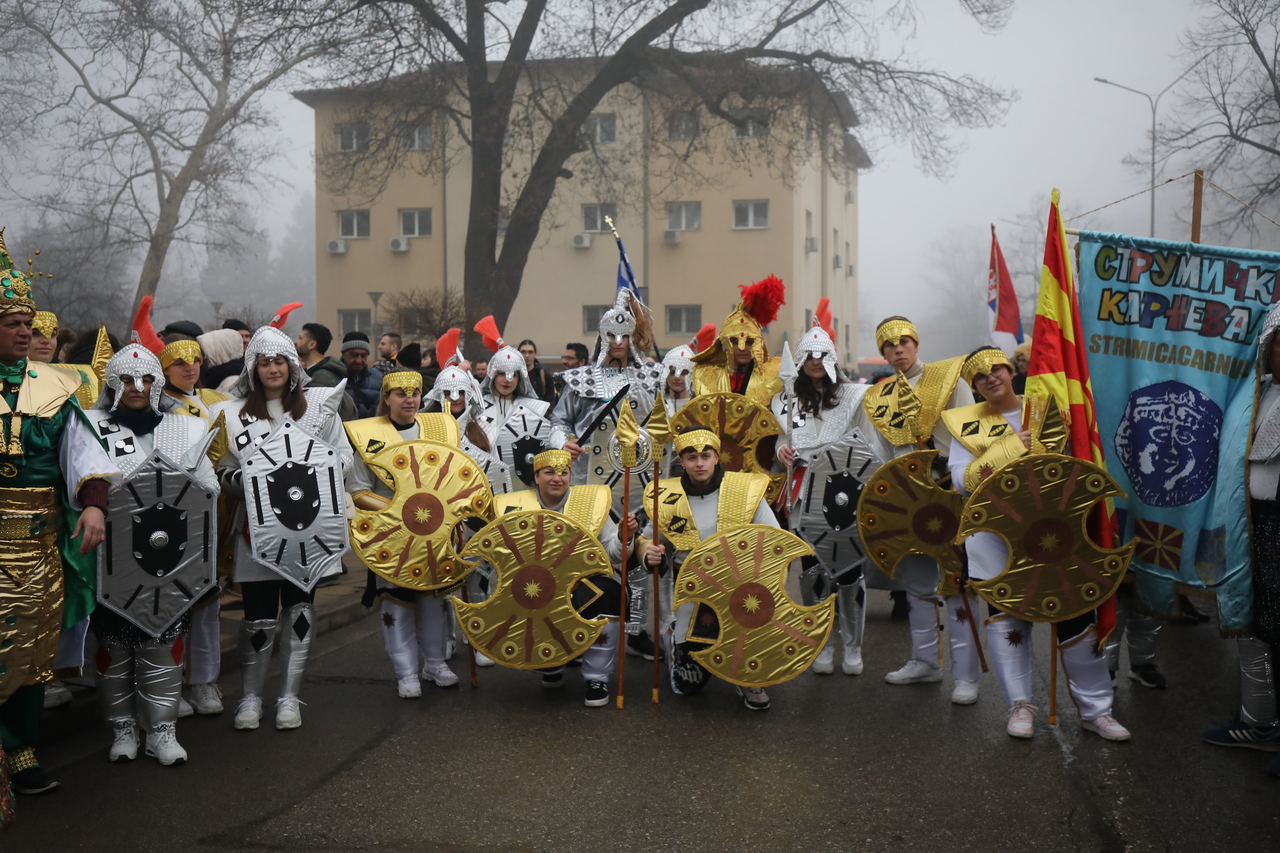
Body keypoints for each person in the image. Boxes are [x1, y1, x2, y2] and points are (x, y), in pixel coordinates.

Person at [943, 346, 1130, 740]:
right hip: (998, 542)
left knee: (1077, 617)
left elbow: (1077, 461)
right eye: (980, 376)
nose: (991, 378)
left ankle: (1096, 710)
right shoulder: (963, 424)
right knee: (1008, 619)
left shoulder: (1051, 407)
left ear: (1011, 371)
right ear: (973, 386)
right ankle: (1020, 706)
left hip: (1058, 532)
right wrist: (1011, 447)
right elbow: (963, 481)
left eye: (996, 369)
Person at [0, 230, 117, 796]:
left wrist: (94, 506)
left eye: (29, 324)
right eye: (13, 324)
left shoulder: (57, 386)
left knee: (26, 649)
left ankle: (20, 748)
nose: (26, 332)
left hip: (35, 541)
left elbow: (84, 455)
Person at [78, 339, 217, 765]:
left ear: (158, 383)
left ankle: (161, 730)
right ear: (112, 382)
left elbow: (207, 488)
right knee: (113, 647)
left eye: (146, 378)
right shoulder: (88, 425)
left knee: (163, 643)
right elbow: (77, 481)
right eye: (127, 378)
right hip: (110, 557)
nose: (136, 385)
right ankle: (122, 728)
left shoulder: (187, 427)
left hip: (168, 558)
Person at [209, 326, 350, 731]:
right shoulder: (231, 414)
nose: (273, 369)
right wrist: (253, 479)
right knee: (257, 616)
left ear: (293, 365)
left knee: (300, 610)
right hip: (256, 531)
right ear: (253, 368)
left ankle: (290, 696)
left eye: (280, 361)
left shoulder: (319, 408)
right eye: (265, 362)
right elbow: (222, 472)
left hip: (310, 531)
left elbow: (343, 457)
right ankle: (251, 697)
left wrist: (322, 470)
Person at [852, 316, 978, 700]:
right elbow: (881, 452)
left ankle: (966, 676)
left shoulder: (949, 379)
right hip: (909, 498)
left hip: (950, 490)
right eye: (889, 346)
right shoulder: (878, 396)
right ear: (883, 353)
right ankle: (925, 661)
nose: (898, 349)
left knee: (957, 582)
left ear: (916, 344)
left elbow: (969, 435)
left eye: (904, 341)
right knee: (916, 579)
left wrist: (955, 476)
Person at [550, 287, 665, 661]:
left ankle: (636, 632)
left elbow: (667, 426)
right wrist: (562, 440)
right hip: (592, 485)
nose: (617, 342)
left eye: (624, 335)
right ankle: (585, 628)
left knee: (639, 557)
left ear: (632, 337)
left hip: (641, 483)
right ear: (601, 337)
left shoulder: (652, 376)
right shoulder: (581, 379)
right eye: (610, 335)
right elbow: (559, 419)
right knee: (589, 559)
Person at [641, 426, 780, 710]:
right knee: (688, 686)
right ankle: (675, 640)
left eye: (706, 455)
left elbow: (773, 538)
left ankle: (747, 676)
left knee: (744, 643)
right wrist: (650, 553)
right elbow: (648, 540)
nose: (699, 463)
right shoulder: (667, 497)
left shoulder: (746, 490)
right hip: (692, 593)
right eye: (692, 457)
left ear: (718, 456)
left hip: (740, 589)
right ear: (681, 461)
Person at [346, 371, 463, 697]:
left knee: (434, 599)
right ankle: (406, 672)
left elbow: (455, 476)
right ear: (386, 397)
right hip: (391, 534)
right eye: (400, 393)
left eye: (414, 392)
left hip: (436, 531)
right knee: (397, 602)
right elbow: (357, 488)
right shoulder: (368, 434)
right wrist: (399, 508)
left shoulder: (440, 429)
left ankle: (436, 662)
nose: (409, 398)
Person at [491, 448, 636, 706]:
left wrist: (624, 537)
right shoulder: (513, 506)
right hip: (536, 587)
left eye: (563, 472)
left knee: (611, 593)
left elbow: (614, 556)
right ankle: (550, 661)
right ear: (536, 477)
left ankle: (596, 677)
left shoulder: (591, 503)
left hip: (583, 583)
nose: (557, 478)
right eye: (549, 472)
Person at [1202, 302, 1280, 775]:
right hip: (1254, 528)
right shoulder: (1254, 397)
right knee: (1257, 626)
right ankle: (1260, 722)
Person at [774, 304, 870, 677]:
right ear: (800, 359)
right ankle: (821, 643)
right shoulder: (783, 398)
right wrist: (783, 448)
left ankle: (852, 645)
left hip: (843, 493)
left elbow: (865, 444)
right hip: (801, 494)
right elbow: (787, 439)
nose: (815, 361)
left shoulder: (852, 396)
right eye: (808, 355)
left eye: (821, 354)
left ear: (830, 357)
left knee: (848, 573)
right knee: (812, 571)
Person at [691, 275, 785, 408]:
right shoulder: (705, 375)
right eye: (735, 341)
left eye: (749, 342)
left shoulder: (775, 374)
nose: (742, 347)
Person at [295, 322, 358, 421]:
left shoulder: (321, 378)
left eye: (300, 338)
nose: (296, 342)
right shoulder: (318, 372)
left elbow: (312, 416)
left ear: (312, 345)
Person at [341, 331, 384, 419]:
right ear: (343, 354)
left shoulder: (379, 378)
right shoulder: (331, 378)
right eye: (354, 355)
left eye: (363, 356)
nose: (359, 360)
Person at [517, 339, 556, 405]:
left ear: (535, 354)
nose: (527, 355)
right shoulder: (514, 374)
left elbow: (550, 400)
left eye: (530, 352)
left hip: (539, 412)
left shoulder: (544, 375)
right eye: (523, 352)